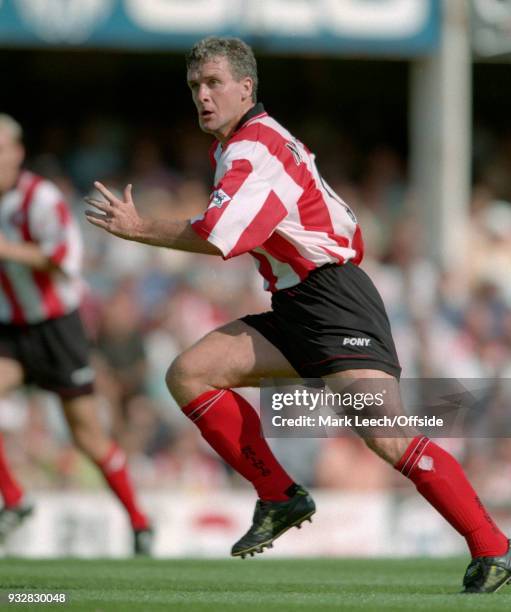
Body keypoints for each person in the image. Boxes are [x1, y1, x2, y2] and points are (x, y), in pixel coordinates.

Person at [85, 37, 510, 592]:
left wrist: (139, 229)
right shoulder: (238, 146)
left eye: (213, 84)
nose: (203, 97)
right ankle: (279, 496)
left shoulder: (254, 147)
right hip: (297, 302)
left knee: (387, 436)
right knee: (189, 373)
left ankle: (493, 548)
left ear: (247, 88)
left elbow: (220, 237)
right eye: (195, 87)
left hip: (333, 299)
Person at [0, 114, 153, 555]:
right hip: (10, 328)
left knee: (87, 436)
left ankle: (140, 522)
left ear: (17, 152)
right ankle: (12, 498)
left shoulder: (41, 198)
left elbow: (63, 255)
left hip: (57, 328)